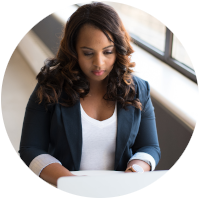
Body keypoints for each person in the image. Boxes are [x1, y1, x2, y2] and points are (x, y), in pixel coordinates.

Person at [19, 2, 161, 186]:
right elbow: (31, 148)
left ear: (118, 50)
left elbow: (150, 147)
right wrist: (73, 184)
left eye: (108, 52)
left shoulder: (139, 90)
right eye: (88, 53)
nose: (99, 63)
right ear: (73, 51)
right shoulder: (50, 87)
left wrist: (135, 170)